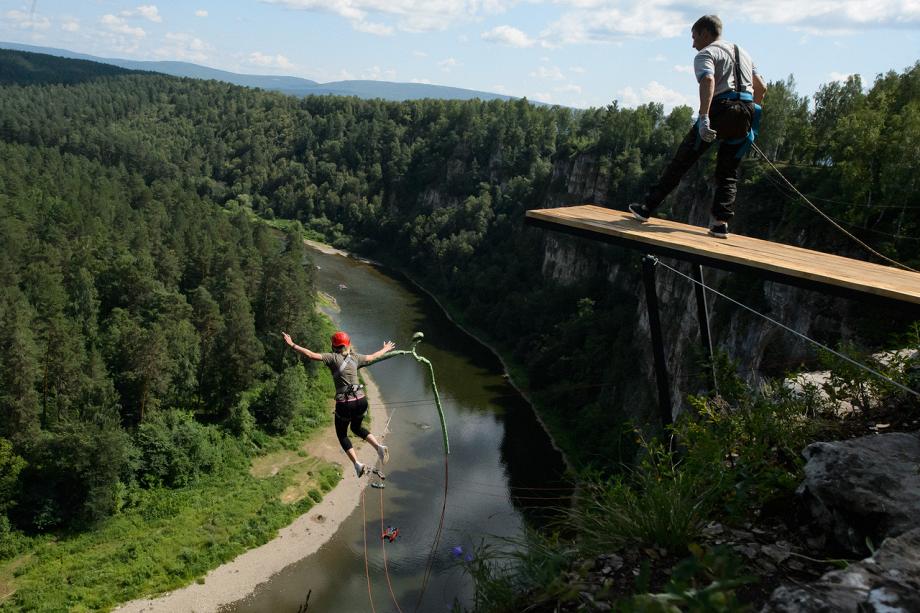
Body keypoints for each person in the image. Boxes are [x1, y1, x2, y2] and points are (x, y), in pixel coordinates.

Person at [629, 14, 767, 239]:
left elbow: (709, 81)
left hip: (720, 108)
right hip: (746, 109)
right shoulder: (745, 54)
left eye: (694, 37)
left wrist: (704, 116)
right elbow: (761, 87)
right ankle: (720, 223)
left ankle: (646, 208)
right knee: (728, 171)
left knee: (682, 161)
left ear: (705, 33)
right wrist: (749, 117)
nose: (693, 44)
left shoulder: (707, 53)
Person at [282, 330, 395, 477]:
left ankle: (358, 464)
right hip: (361, 400)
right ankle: (379, 447)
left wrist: (292, 345)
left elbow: (311, 355)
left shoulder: (332, 358)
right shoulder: (356, 357)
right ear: (348, 345)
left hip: (345, 403)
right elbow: (372, 357)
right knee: (356, 427)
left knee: (342, 435)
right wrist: (385, 349)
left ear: (333, 346)